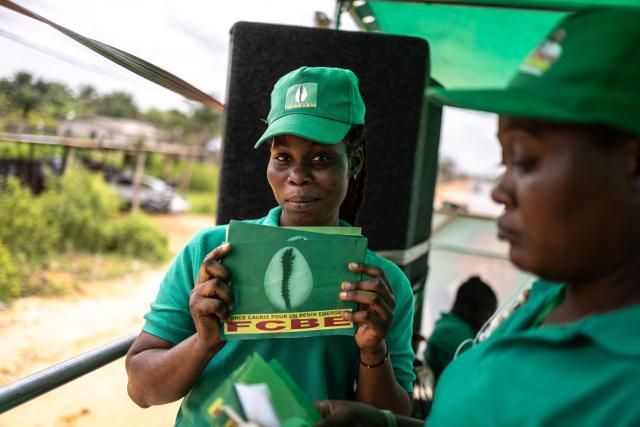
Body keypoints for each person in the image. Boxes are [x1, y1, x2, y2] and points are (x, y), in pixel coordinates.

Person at [316, 7, 640, 427]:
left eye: (524, 161)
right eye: (501, 162)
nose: (498, 191)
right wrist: (386, 425)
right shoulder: (554, 292)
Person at [125, 66, 415, 426]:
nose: (297, 175)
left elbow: (392, 419)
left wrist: (373, 347)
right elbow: (141, 390)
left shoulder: (382, 285)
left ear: (353, 161)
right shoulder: (212, 252)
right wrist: (203, 341)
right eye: (283, 157)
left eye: (321, 158)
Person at [425, 275, 496, 383]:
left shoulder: (449, 327)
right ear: (467, 308)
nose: (488, 323)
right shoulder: (453, 334)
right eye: (486, 316)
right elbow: (481, 376)